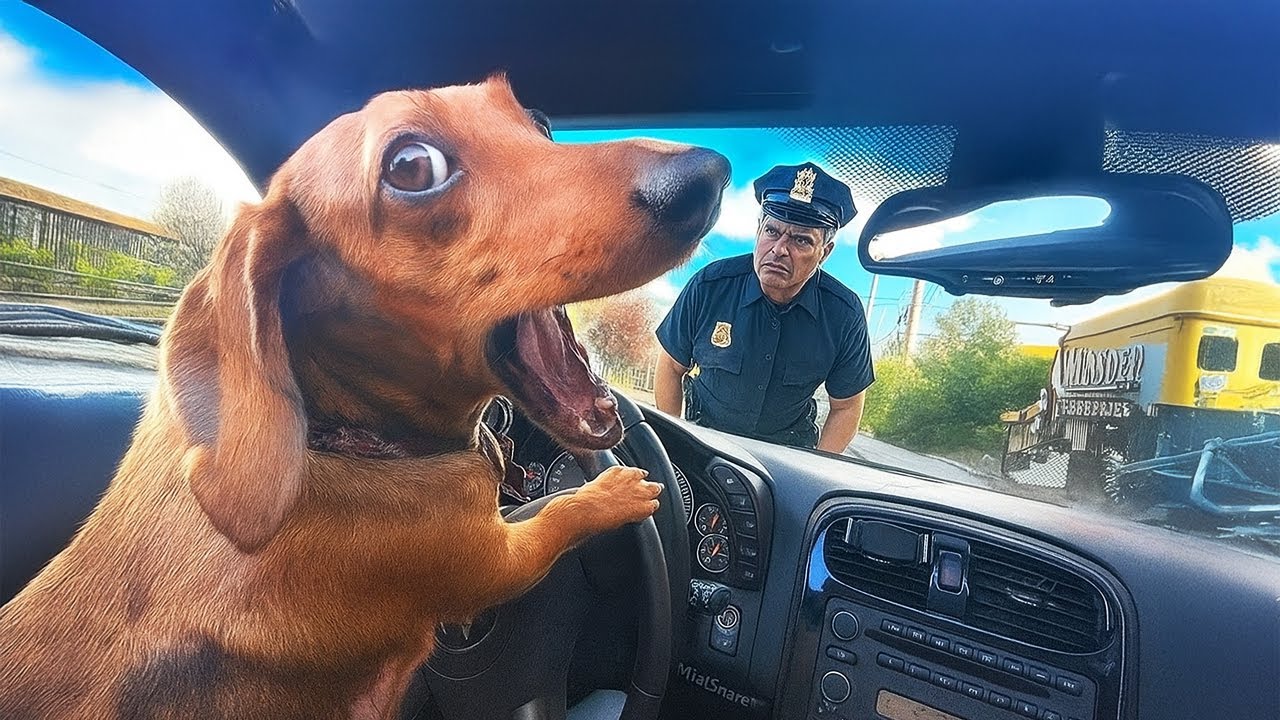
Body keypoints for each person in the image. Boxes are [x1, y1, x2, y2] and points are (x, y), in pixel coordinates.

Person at [653, 162, 874, 452]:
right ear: (758, 231)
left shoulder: (843, 314)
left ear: (825, 253)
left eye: (801, 240)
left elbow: (846, 407)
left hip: (788, 458)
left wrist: (814, 469)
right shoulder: (711, 286)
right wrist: (675, 446)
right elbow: (670, 367)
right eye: (772, 231)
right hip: (706, 446)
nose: (780, 249)